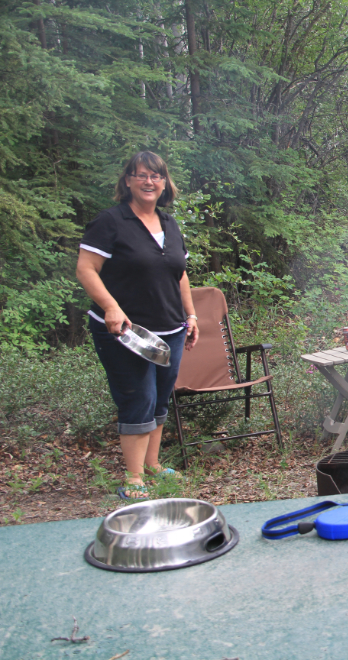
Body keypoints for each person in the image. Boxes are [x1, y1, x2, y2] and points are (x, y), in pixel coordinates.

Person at [76, 152, 200, 500]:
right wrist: (110, 307)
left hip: (171, 328)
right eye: (141, 175)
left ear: (164, 183)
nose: (149, 182)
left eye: (156, 176)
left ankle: (152, 465)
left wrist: (190, 316)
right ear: (127, 181)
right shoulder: (111, 222)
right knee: (138, 397)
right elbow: (86, 268)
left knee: (160, 396)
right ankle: (133, 478)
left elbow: (181, 274)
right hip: (124, 330)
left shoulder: (170, 224)